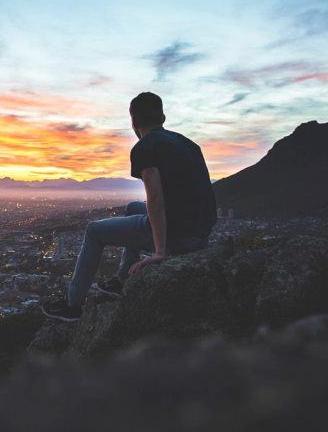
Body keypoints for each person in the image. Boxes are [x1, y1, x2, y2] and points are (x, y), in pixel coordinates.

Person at [42, 92, 217, 321]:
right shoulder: (189, 144)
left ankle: (73, 305)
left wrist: (160, 251)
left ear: (133, 122)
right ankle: (123, 278)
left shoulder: (146, 145)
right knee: (134, 207)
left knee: (94, 231)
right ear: (162, 116)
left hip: (178, 235)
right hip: (199, 232)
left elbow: (155, 197)